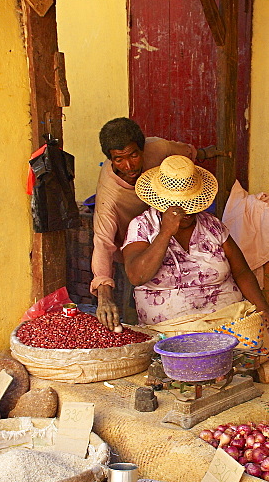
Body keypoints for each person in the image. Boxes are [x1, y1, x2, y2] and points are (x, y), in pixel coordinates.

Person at [91, 117, 218, 330]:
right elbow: (102, 242)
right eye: (119, 160)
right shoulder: (109, 195)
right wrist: (103, 293)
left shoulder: (157, 148)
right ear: (110, 159)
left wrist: (203, 154)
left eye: (133, 155)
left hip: (173, 229)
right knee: (133, 295)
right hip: (132, 247)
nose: (129, 166)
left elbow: (181, 153)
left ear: (142, 150)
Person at [122, 155, 269, 331]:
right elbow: (136, 276)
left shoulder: (212, 225)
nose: (185, 210)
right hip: (170, 330)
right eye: (177, 204)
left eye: (190, 203)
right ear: (162, 201)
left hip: (228, 322)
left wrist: (264, 309)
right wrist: (165, 232)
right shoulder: (142, 226)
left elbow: (241, 271)